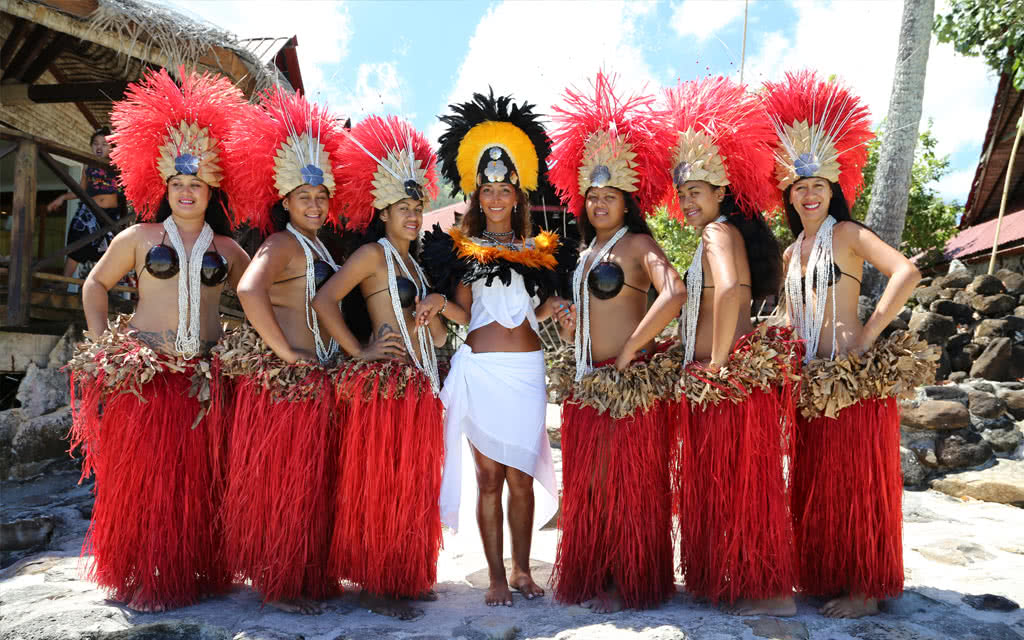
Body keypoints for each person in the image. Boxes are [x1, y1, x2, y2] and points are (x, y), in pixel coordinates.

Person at [67, 67, 249, 612]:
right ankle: (148, 577)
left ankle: (197, 570)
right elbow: (96, 284)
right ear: (163, 186)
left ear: (211, 187)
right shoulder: (139, 237)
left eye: (196, 184)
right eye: (177, 184)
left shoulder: (227, 246)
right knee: (150, 484)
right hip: (149, 378)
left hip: (205, 380)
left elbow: (259, 295)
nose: (187, 192)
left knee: (201, 482)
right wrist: (105, 349)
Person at [762, 70, 933, 619]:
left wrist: (868, 333)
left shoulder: (848, 235)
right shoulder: (793, 252)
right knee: (820, 482)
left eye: (817, 186)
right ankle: (829, 573)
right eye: (799, 187)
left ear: (833, 188)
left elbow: (905, 273)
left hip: (852, 380)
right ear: (789, 195)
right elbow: (790, 313)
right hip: (811, 382)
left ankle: (863, 587)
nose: (809, 194)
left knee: (858, 483)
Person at [418, 90, 575, 607]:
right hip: (482, 369)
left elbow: (538, 306)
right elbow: (466, 312)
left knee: (522, 478)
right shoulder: (462, 249)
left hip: (527, 370)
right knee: (489, 478)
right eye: (487, 190)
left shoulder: (542, 251)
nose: (495, 197)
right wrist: (441, 301)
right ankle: (497, 579)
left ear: (517, 193)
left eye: (504, 188)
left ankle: (524, 571)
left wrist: (557, 310)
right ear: (477, 196)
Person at [544, 72, 685, 613]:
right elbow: (596, 313)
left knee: (631, 484)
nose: (600, 203)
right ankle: (600, 570)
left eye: (610, 196)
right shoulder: (584, 253)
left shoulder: (639, 243)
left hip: (626, 381)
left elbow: (672, 292)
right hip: (588, 381)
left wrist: (630, 351)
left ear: (627, 201)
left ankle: (632, 581)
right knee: (595, 483)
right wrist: (572, 327)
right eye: (593, 196)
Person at [667, 76, 799, 616]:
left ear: (720, 192)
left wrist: (717, 364)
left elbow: (725, 291)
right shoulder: (726, 233)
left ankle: (768, 594)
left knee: (742, 488)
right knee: (734, 484)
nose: (687, 201)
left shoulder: (718, 234)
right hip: (727, 379)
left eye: (696, 191)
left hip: (726, 381)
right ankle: (741, 579)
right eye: (682, 193)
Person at [214, 88, 349, 614]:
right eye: (304, 198)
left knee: (313, 483)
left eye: (320, 198)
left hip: (318, 381)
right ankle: (282, 584)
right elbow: (248, 289)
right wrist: (286, 355)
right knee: (286, 487)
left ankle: (306, 575)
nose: (314, 205)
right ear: (285, 201)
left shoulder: (316, 246)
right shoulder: (282, 241)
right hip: (289, 384)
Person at [310, 114, 445, 621]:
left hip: (419, 382)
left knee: (412, 484)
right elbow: (326, 301)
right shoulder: (372, 254)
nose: (412, 215)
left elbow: (433, 333)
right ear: (382, 212)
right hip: (384, 386)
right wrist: (359, 352)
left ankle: (403, 574)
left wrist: (432, 315)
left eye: (417, 207)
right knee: (380, 483)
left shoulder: (414, 265)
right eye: (402, 208)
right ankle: (375, 585)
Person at [47, 127, 125, 280]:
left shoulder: (118, 165)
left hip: (109, 214)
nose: (99, 147)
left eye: (104, 144)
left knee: (110, 250)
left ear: (111, 147)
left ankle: (107, 288)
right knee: (76, 244)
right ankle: (64, 283)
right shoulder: (87, 165)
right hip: (88, 212)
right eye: (95, 143)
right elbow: (80, 190)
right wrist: (62, 197)